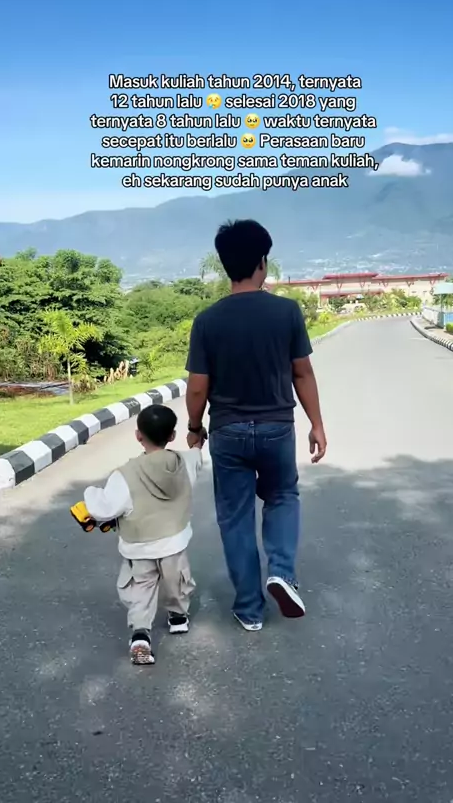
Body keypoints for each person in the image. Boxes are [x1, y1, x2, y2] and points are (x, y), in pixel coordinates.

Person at [185, 219, 326, 632]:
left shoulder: (207, 321)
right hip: (276, 428)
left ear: (226, 264)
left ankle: (249, 609)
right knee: (282, 497)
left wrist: (194, 427)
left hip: (227, 432)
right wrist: (317, 424)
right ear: (262, 262)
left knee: (235, 517)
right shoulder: (287, 312)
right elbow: (302, 373)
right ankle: (281, 571)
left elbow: (197, 387)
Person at [84, 405, 203, 665]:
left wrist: (91, 494)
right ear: (172, 436)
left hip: (139, 547)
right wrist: (197, 442)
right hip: (173, 543)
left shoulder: (125, 475)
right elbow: (196, 455)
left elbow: (105, 508)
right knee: (176, 581)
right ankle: (178, 618)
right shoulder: (185, 462)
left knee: (140, 588)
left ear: (138, 435)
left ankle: (140, 636)